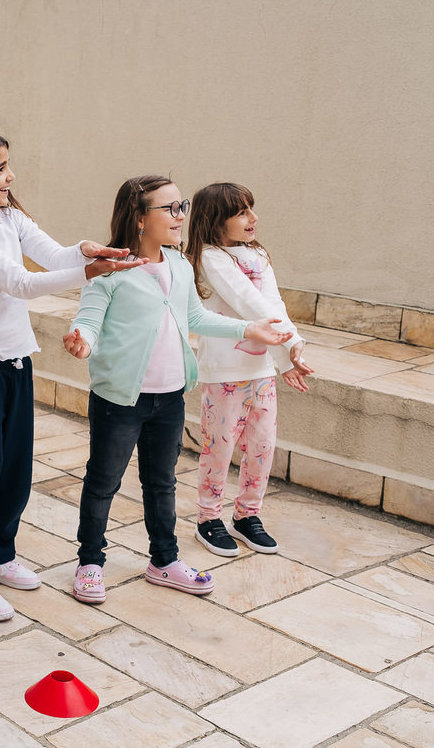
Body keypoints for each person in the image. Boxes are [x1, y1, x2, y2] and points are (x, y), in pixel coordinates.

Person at [0, 127, 140, 622]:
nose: (10, 176)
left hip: (17, 363)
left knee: (15, 474)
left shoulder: (9, 217)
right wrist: (89, 273)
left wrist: (87, 251)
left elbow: (55, 256)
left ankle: (1, 556)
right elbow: (19, 282)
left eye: (8, 166)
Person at [63, 175, 292, 605]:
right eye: (169, 208)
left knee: (161, 483)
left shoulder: (180, 265)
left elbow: (196, 318)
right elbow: (88, 320)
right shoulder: (110, 269)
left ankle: (164, 560)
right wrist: (82, 340)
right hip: (120, 399)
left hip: (169, 396)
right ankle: (90, 563)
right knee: (103, 482)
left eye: (181, 206)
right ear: (139, 218)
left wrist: (249, 328)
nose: (180, 216)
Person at [186, 182, 311, 556]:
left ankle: (246, 516)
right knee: (219, 450)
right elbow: (247, 301)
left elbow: (273, 303)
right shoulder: (210, 257)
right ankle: (208, 519)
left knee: (261, 447)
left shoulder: (258, 255)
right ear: (216, 220)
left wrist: (288, 358)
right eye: (241, 212)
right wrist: (290, 341)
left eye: (251, 209)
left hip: (261, 372)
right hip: (223, 373)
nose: (253, 218)